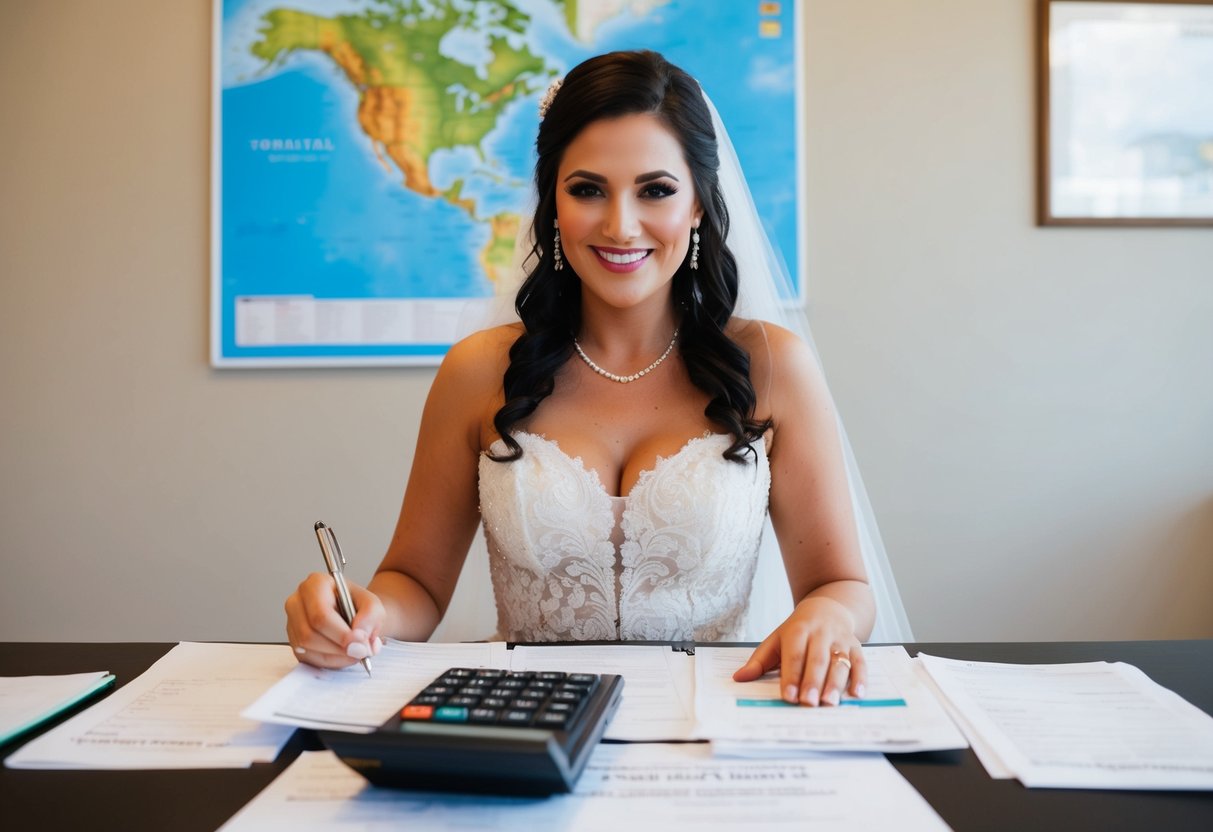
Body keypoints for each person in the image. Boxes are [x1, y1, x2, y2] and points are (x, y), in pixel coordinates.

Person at [286, 50, 898, 707]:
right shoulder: (477, 372)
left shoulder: (772, 367)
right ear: (552, 202)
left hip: (712, 722)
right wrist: (356, 612)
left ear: (696, 204)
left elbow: (842, 585)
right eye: (587, 189)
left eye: (655, 190)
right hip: (524, 719)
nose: (619, 225)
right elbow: (416, 584)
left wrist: (828, 615)